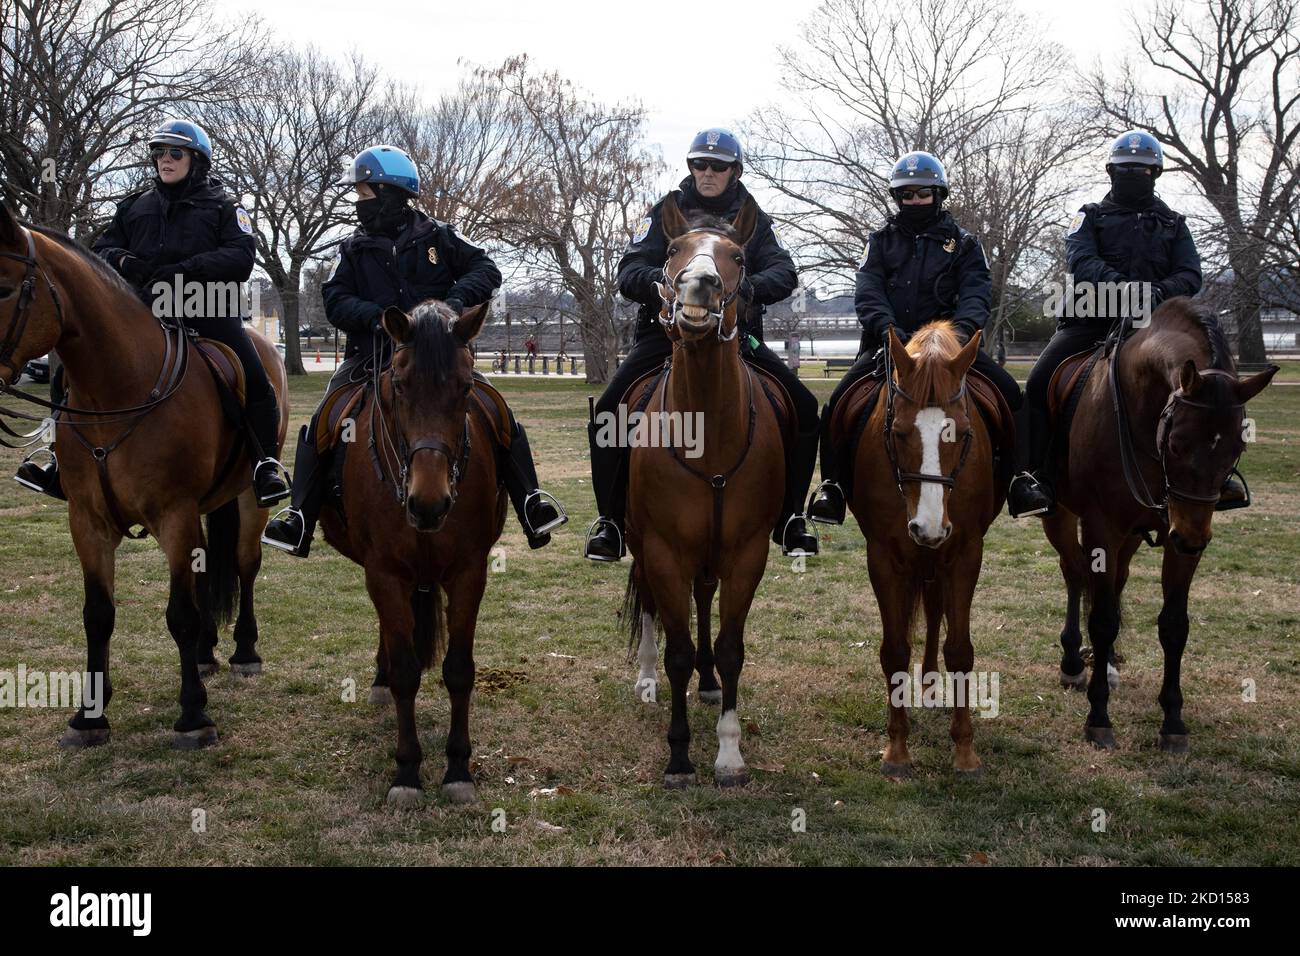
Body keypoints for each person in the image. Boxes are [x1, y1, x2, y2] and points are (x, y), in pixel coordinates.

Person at [261, 144, 565, 557]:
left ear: (389, 194)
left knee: (498, 411)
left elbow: (486, 270)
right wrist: (379, 319)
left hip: (439, 357)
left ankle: (531, 501)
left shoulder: (439, 236)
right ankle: (300, 515)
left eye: (364, 194)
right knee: (322, 421)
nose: (358, 204)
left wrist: (455, 304)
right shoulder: (351, 249)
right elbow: (335, 300)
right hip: (371, 355)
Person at [15, 119, 289, 506]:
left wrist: (185, 270)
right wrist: (127, 264)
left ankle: (264, 466)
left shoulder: (226, 207)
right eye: (159, 152)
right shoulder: (134, 206)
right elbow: (102, 249)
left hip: (205, 307)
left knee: (255, 377)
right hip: (142, 309)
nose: (166, 159)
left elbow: (240, 258)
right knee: (68, 377)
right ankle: (58, 461)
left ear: (197, 160)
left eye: (175, 152)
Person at [583, 128, 821, 561]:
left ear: (735, 171)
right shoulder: (665, 212)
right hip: (667, 335)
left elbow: (784, 271)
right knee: (609, 416)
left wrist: (746, 291)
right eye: (699, 164)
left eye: (718, 166)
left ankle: (790, 518)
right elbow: (630, 267)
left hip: (735, 337)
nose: (708, 172)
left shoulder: (753, 218)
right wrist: (667, 284)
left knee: (804, 407)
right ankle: (611, 523)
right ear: (691, 167)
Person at [1006, 130, 1244, 517]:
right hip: (1090, 321)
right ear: (1110, 171)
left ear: (1156, 173)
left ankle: (1224, 475)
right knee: (1037, 382)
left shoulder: (1174, 222)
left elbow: (1190, 274)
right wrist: (1127, 291)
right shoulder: (1089, 216)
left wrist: (1159, 291)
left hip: (1154, 329)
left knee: (1217, 384)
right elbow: (1081, 263)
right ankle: (1033, 477)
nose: (1134, 174)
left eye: (1143, 169)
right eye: (1126, 169)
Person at [807, 151, 1022, 525]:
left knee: (1009, 393)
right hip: (892, 348)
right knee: (838, 403)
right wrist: (892, 334)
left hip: (951, 351)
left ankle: (1021, 477)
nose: (915, 201)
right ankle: (833, 487)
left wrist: (954, 338)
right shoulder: (879, 242)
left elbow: (976, 293)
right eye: (906, 195)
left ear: (938, 195)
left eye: (923, 193)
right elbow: (868, 291)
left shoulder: (966, 244)